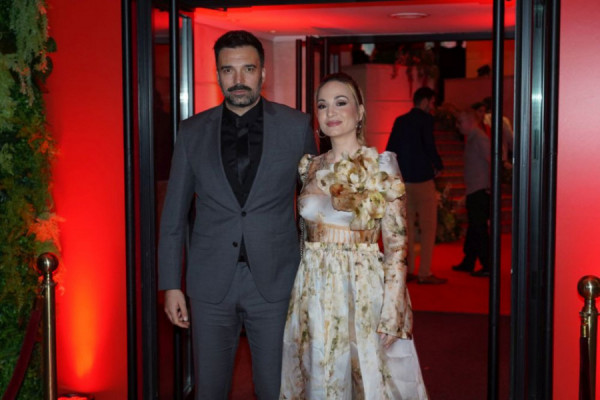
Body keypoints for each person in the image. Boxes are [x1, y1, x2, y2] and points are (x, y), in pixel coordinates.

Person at [157, 30, 317, 399]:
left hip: (276, 282)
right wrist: (171, 284)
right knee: (209, 390)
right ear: (217, 74)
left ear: (263, 73)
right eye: (228, 70)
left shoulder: (296, 127)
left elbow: (313, 208)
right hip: (210, 283)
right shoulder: (192, 131)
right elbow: (173, 216)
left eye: (248, 69)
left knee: (277, 389)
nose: (238, 79)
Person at [280, 72, 428, 399]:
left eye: (340, 102)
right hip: (314, 290)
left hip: (363, 289)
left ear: (360, 112)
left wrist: (393, 311)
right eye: (322, 105)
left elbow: (397, 246)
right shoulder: (309, 167)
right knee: (321, 378)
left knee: (370, 381)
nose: (330, 112)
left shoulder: (381, 166)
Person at [385, 87, 447, 285]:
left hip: (405, 181)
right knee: (428, 227)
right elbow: (429, 145)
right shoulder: (426, 120)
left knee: (408, 227)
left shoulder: (400, 121)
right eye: (432, 102)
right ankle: (424, 272)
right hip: (423, 180)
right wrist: (438, 165)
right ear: (425, 101)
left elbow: (390, 149)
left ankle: (410, 269)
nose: (432, 106)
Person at [452, 109, 491, 277]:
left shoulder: (479, 138)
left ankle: (487, 265)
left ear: (470, 121)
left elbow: (492, 160)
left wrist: (490, 186)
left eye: (460, 122)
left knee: (478, 228)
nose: (457, 126)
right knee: (474, 227)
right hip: (475, 189)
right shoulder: (473, 138)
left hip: (480, 189)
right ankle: (469, 261)